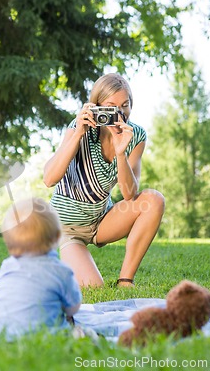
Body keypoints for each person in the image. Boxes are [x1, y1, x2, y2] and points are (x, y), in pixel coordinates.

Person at [43, 73, 165, 288]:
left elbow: (129, 194)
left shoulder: (135, 135)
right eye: (111, 106)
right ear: (96, 106)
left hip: (101, 220)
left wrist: (121, 153)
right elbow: (49, 179)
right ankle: (57, 267)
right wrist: (78, 134)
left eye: (125, 105)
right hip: (67, 226)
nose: (119, 113)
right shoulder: (79, 127)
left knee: (154, 200)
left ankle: (125, 281)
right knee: (94, 287)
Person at [0, 197, 82, 338]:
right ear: (57, 236)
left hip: (0, 334)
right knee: (81, 334)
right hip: (46, 337)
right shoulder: (61, 271)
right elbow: (73, 308)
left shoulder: (7, 266)